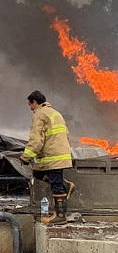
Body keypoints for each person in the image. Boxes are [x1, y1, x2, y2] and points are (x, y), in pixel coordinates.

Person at [20, 90, 74, 225]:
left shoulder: (39, 115)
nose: (30, 108)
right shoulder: (56, 113)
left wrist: (26, 157)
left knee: (56, 185)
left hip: (53, 157)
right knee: (38, 173)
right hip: (61, 154)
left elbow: (36, 140)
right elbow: (66, 134)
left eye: (30, 104)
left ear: (34, 102)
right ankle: (66, 186)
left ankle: (60, 216)